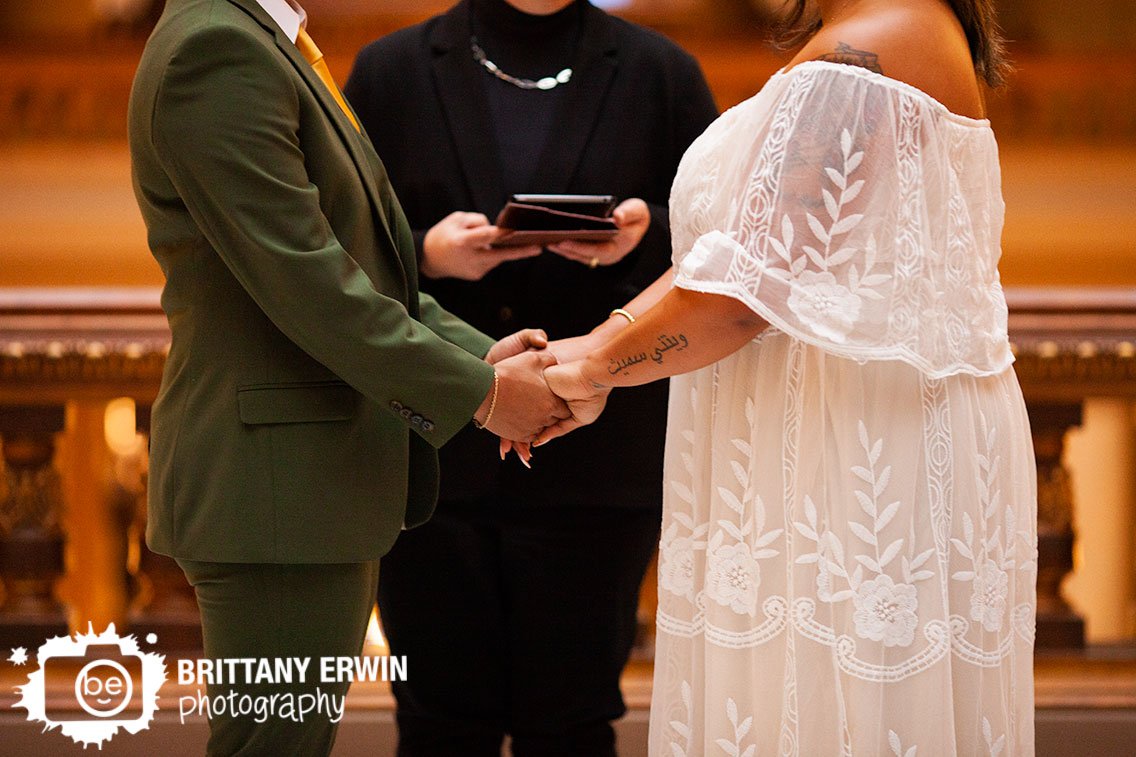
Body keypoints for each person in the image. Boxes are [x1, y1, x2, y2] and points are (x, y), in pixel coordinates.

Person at [542, 0, 1037, 753]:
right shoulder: (858, 37)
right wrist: (583, 349)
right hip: (809, 435)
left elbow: (746, 295)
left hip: (860, 449)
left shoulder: (880, 38)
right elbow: (730, 253)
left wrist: (596, 371)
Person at [127, 0, 571, 753]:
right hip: (274, 491)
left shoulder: (264, 38)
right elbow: (311, 286)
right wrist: (486, 395)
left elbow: (361, 266)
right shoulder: (216, 49)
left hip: (302, 487)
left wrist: (479, 355)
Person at [343, 1, 717, 753]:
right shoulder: (390, 71)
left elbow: (721, 249)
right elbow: (333, 245)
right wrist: (427, 253)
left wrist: (641, 238)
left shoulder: (660, 73)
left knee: (573, 721)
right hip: (431, 455)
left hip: (599, 461)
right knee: (439, 722)